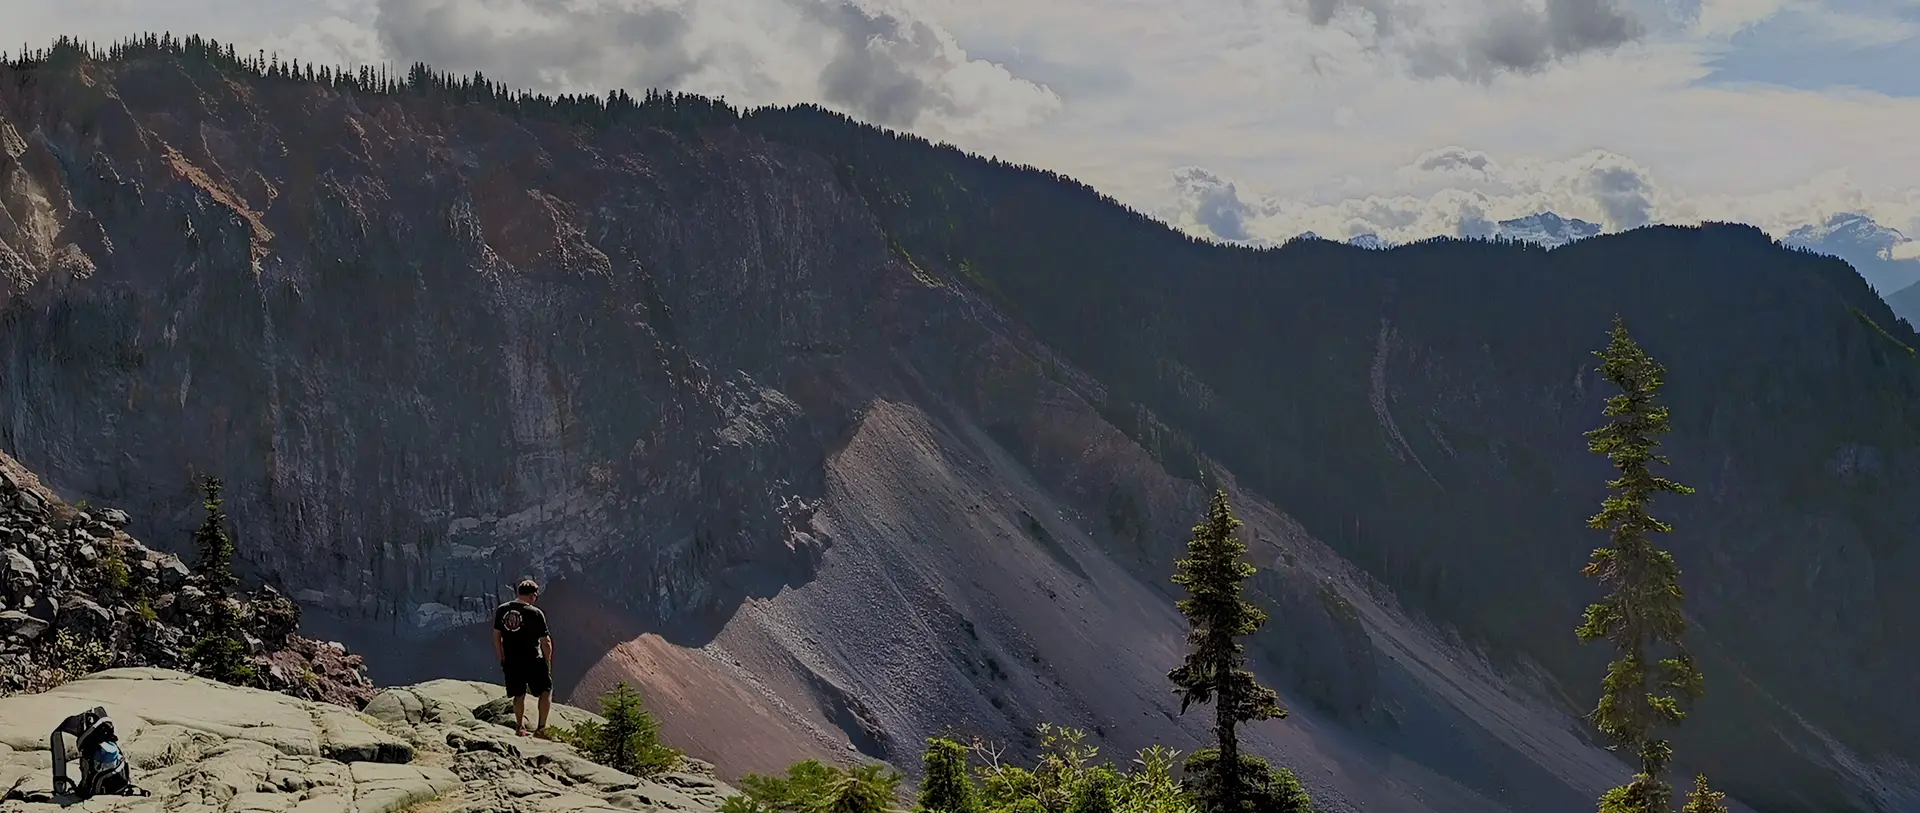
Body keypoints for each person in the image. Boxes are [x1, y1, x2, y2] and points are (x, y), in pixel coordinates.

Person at [493, 578, 554, 738]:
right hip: (533, 659)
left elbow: (496, 636)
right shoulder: (535, 613)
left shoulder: (502, 610)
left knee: (518, 694)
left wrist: (502, 658)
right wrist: (547, 662)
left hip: (512, 659)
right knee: (545, 690)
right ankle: (541, 729)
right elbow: (545, 641)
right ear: (532, 595)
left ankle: (519, 727)